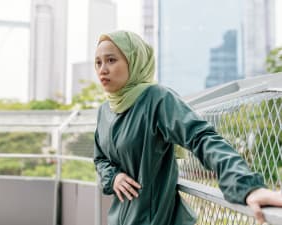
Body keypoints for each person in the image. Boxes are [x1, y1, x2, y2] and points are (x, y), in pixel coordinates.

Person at [93, 30, 282, 225]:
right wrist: (113, 177)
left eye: (111, 60)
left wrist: (247, 187)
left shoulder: (156, 98)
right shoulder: (104, 111)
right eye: (98, 62)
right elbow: (100, 159)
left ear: (134, 61)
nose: (102, 69)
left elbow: (202, 138)